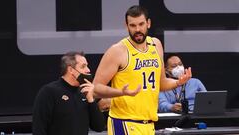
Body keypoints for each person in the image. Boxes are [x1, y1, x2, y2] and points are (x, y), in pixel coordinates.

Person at [93, 5, 192, 135]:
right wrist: (120, 92)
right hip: (124, 123)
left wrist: (178, 82)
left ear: (148, 23)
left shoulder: (156, 45)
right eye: (133, 25)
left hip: (148, 124)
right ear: (126, 25)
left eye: (141, 24)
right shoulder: (117, 51)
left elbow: (160, 83)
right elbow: (95, 88)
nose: (138, 29)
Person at [32, 51, 105, 135]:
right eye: (83, 66)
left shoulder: (84, 93)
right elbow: (39, 129)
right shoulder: (49, 92)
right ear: (71, 70)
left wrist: (91, 100)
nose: (88, 70)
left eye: (87, 66)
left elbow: (99, 127)